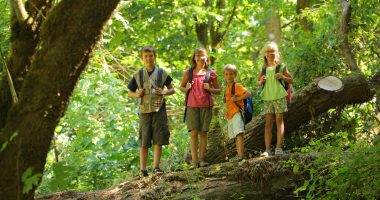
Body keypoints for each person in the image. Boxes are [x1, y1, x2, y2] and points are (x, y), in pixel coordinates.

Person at [127, 46, 175, 178]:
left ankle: (156, 167)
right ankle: (143, 169)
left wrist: (164, 91)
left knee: (158, 139)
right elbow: (129, 92)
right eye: (146, 56)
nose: (148, 59)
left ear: (155, 56)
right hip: (144, 111)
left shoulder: (162, 73)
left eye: (151, 56)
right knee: (144, 139)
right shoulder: (138, 75)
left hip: (159, 109)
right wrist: (137, 94)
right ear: (142, 58)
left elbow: (172, 89)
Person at [180, 47, 220, 168]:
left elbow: (218, 91)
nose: (199, 57)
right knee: (193, 133)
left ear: (206, 57)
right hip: (192, 106)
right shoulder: (189, 72)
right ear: (194, 57)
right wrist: (186, 88)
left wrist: (210, 89)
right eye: (197, 55)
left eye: (201, 55)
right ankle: (194, 161)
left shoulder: (210, 73)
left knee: (203, 133)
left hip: (206, 106)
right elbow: (181, 87)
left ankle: (202, 160)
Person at [257, 42, 293, 157]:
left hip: (279, 97)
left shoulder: (281, 67)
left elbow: (291, 80)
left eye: (273, 51)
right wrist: (261, 81)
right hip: (268, 97)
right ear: (265, 54)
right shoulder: (263, 68)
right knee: (268, 123)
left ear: (277, 53)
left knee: (279, 121)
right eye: (268, 51)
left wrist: (282, 76)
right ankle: (267, 150)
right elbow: (258, 82)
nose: (270, 54)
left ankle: (278, 148)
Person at [223, 64, 251, 162]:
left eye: (231, 74)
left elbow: (248, 93)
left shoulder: (237, 86)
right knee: (235, 135)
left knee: (239, 134)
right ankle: (239, 155)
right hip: (230, 114)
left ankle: (240, 155)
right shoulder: (227, 87)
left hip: (237, 113)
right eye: (226, 74)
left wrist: (237, 98)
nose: (229, 76)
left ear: (235, 75)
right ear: (224, 76)